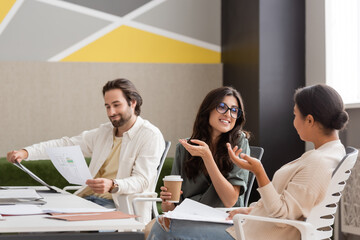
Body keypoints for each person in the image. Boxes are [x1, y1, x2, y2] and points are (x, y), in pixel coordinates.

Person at [146, 84, 349, 240]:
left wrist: (259, 172)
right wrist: (251, 210)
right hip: (246, 224)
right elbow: (284, 210)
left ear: (310, 120)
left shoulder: (318, 162)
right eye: (222, 107)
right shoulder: (324, 156)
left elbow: (281, 215)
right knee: (159, 224)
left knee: (160, 228)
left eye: (295, 115)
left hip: (251, 233)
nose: (293, 122)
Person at [7, 78, 165, 223]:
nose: (111, 113)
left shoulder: (150, 135)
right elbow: (66, 144)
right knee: (34, 222)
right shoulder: (104, 132)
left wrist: (112, 184)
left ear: (133, 102)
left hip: (116, 206)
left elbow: (142, 180)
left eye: (116, 105)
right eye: (107, 106)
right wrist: (26, 153)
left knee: (49, 227)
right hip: (86, 200)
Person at [147, 86, 250, 236]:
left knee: (160, 230)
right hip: (188, 219)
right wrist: (167, 203)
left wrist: (207, 157)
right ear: (207, 110)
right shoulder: (184, 148)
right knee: (155, 227)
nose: (228, 114)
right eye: (222, 107)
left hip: (225, 221)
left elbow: (230, 201)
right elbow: (171, 208)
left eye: (234, 110)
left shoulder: (239, 143)